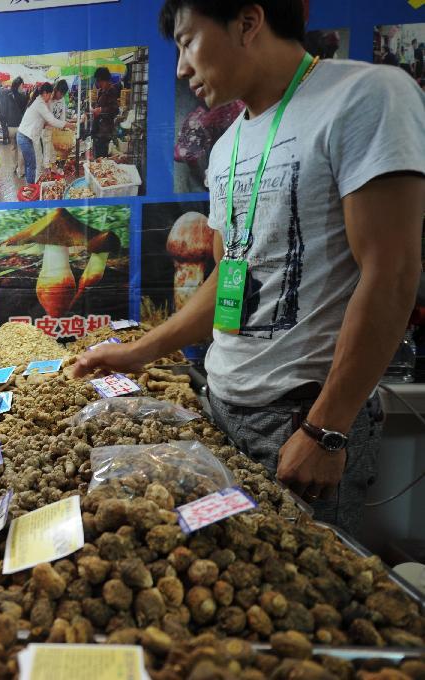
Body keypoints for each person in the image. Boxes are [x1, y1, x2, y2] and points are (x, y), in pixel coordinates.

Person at [74, 0, 425, 535]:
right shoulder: (228, 144)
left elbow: (391, 273)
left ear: (247, 21)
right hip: (223, 409)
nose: (181, 67)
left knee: (304, 599)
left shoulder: (367, 96)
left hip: (300, 417)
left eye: (189, 41)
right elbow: (229, 277)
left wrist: (327, 429)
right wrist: (140, 352)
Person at [17, 83, 71, 185]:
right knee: (32, 164)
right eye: (50, 94)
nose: (51, 97)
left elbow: (43, 121)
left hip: (32, 136)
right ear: (45, 93)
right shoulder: (40, 103)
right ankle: (32, 187)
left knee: (37, 160)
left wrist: (48, 125)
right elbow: (51, 120)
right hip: (25, 137)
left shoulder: (40, 101)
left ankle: (35, 184)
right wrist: (67, 125)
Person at [0, 77, 27, 176]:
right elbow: (25, 112)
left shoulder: (7, 95)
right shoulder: (23, 97)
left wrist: (4, 125)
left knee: (13, 147)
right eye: (22, 85)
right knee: (21, 148)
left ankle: (15, 166)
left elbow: (4, 112)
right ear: (19, 85)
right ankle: (21, 171)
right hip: (20, 126)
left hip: (10, 127)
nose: (23, 87)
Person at [40, 80, 70, 172]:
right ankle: (47, 169)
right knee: (47, 150)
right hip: (47, 129)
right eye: (60, 93)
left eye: (63, 94)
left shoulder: (62, 100)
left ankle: (53, 169)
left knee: (54, 151)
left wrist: (63, 126)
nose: (61, 96)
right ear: (56, 90)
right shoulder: (48, 99)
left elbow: (62, 115)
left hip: (56, 129)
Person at [91, 67, 120, 158]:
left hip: (104, 132)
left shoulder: (111, 90)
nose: (98, 83)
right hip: (97, 130)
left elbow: (115, 110)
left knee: (101, 158)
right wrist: (95, 110)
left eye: (99, 81)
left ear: (104, 80)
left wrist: (101, 110)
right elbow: (99, 106)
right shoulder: (101, 91)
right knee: (97, 156)